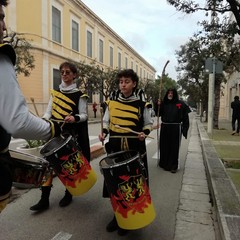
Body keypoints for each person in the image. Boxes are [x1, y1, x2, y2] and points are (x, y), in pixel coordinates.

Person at [0, 0, 60, 213]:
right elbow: (17, 121)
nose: (5, 26)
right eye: (0, 18)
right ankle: (45, 197)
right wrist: (51, 127)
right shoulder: (1, 57)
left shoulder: (78, 95)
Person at [98, 69, 153, 236]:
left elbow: (148, 123)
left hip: (134, 147)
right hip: (115, 147)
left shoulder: (142, 105)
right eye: (121, 81)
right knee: (115, 183)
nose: (123, 84)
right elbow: (106, 122)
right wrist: (104, 132)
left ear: (134, 84)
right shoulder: (111, 103)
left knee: (131, 184)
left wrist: (145, 133)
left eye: (127, 81)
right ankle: (118, 216)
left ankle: (131, 218)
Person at [30, 62, 91, 211]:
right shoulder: (55, 92)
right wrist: (43, 120)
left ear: (74, 75)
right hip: (54, 132)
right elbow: (48, 112)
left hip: (69, 135)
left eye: (68, 72)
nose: (64, 74)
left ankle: (68, 194)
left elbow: (84, 115)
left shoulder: (80, 95)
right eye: (62, 72)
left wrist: (74, 118)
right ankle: (44, 199)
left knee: (67, 166)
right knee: (47, 165)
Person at [156, 88, 190, 173]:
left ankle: (173, 166)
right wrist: (158, 105)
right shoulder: (163, 103)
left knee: (174, 147)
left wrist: (185, 129)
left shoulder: (181, 104)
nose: (170, 94)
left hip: (175, 128)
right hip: (165, 127)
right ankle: (164, 163)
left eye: (172, 93)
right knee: (164, 146)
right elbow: (158, 113)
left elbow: (186, 117)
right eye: (168, 93)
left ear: (174, 94)